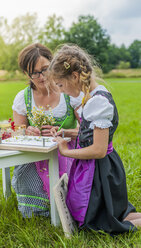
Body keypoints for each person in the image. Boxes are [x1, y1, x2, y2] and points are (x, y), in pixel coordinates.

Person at [49, 44, 141, 235]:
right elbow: (89, 131)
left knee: (105, 223)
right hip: (99, 168)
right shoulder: (91, 97)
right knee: (114, 215)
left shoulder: (97, 102)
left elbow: (98, 149)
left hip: (101, 171)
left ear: (74, 76)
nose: (62, 91)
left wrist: (66, 151)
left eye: (60, 85)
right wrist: (67, 132)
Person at [11, 43, 83, 218]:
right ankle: (40, 208)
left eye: (44, 69)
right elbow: (17, 133)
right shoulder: (23, 98)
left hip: (67, 151)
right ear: (26, 74)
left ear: (52, 64)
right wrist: (27, 132)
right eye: (34, 72)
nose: (41, 76)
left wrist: (64, 132)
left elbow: (86, 130)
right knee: (24, 173)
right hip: (37, 155)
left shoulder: (69, 91)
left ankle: (68, 206)